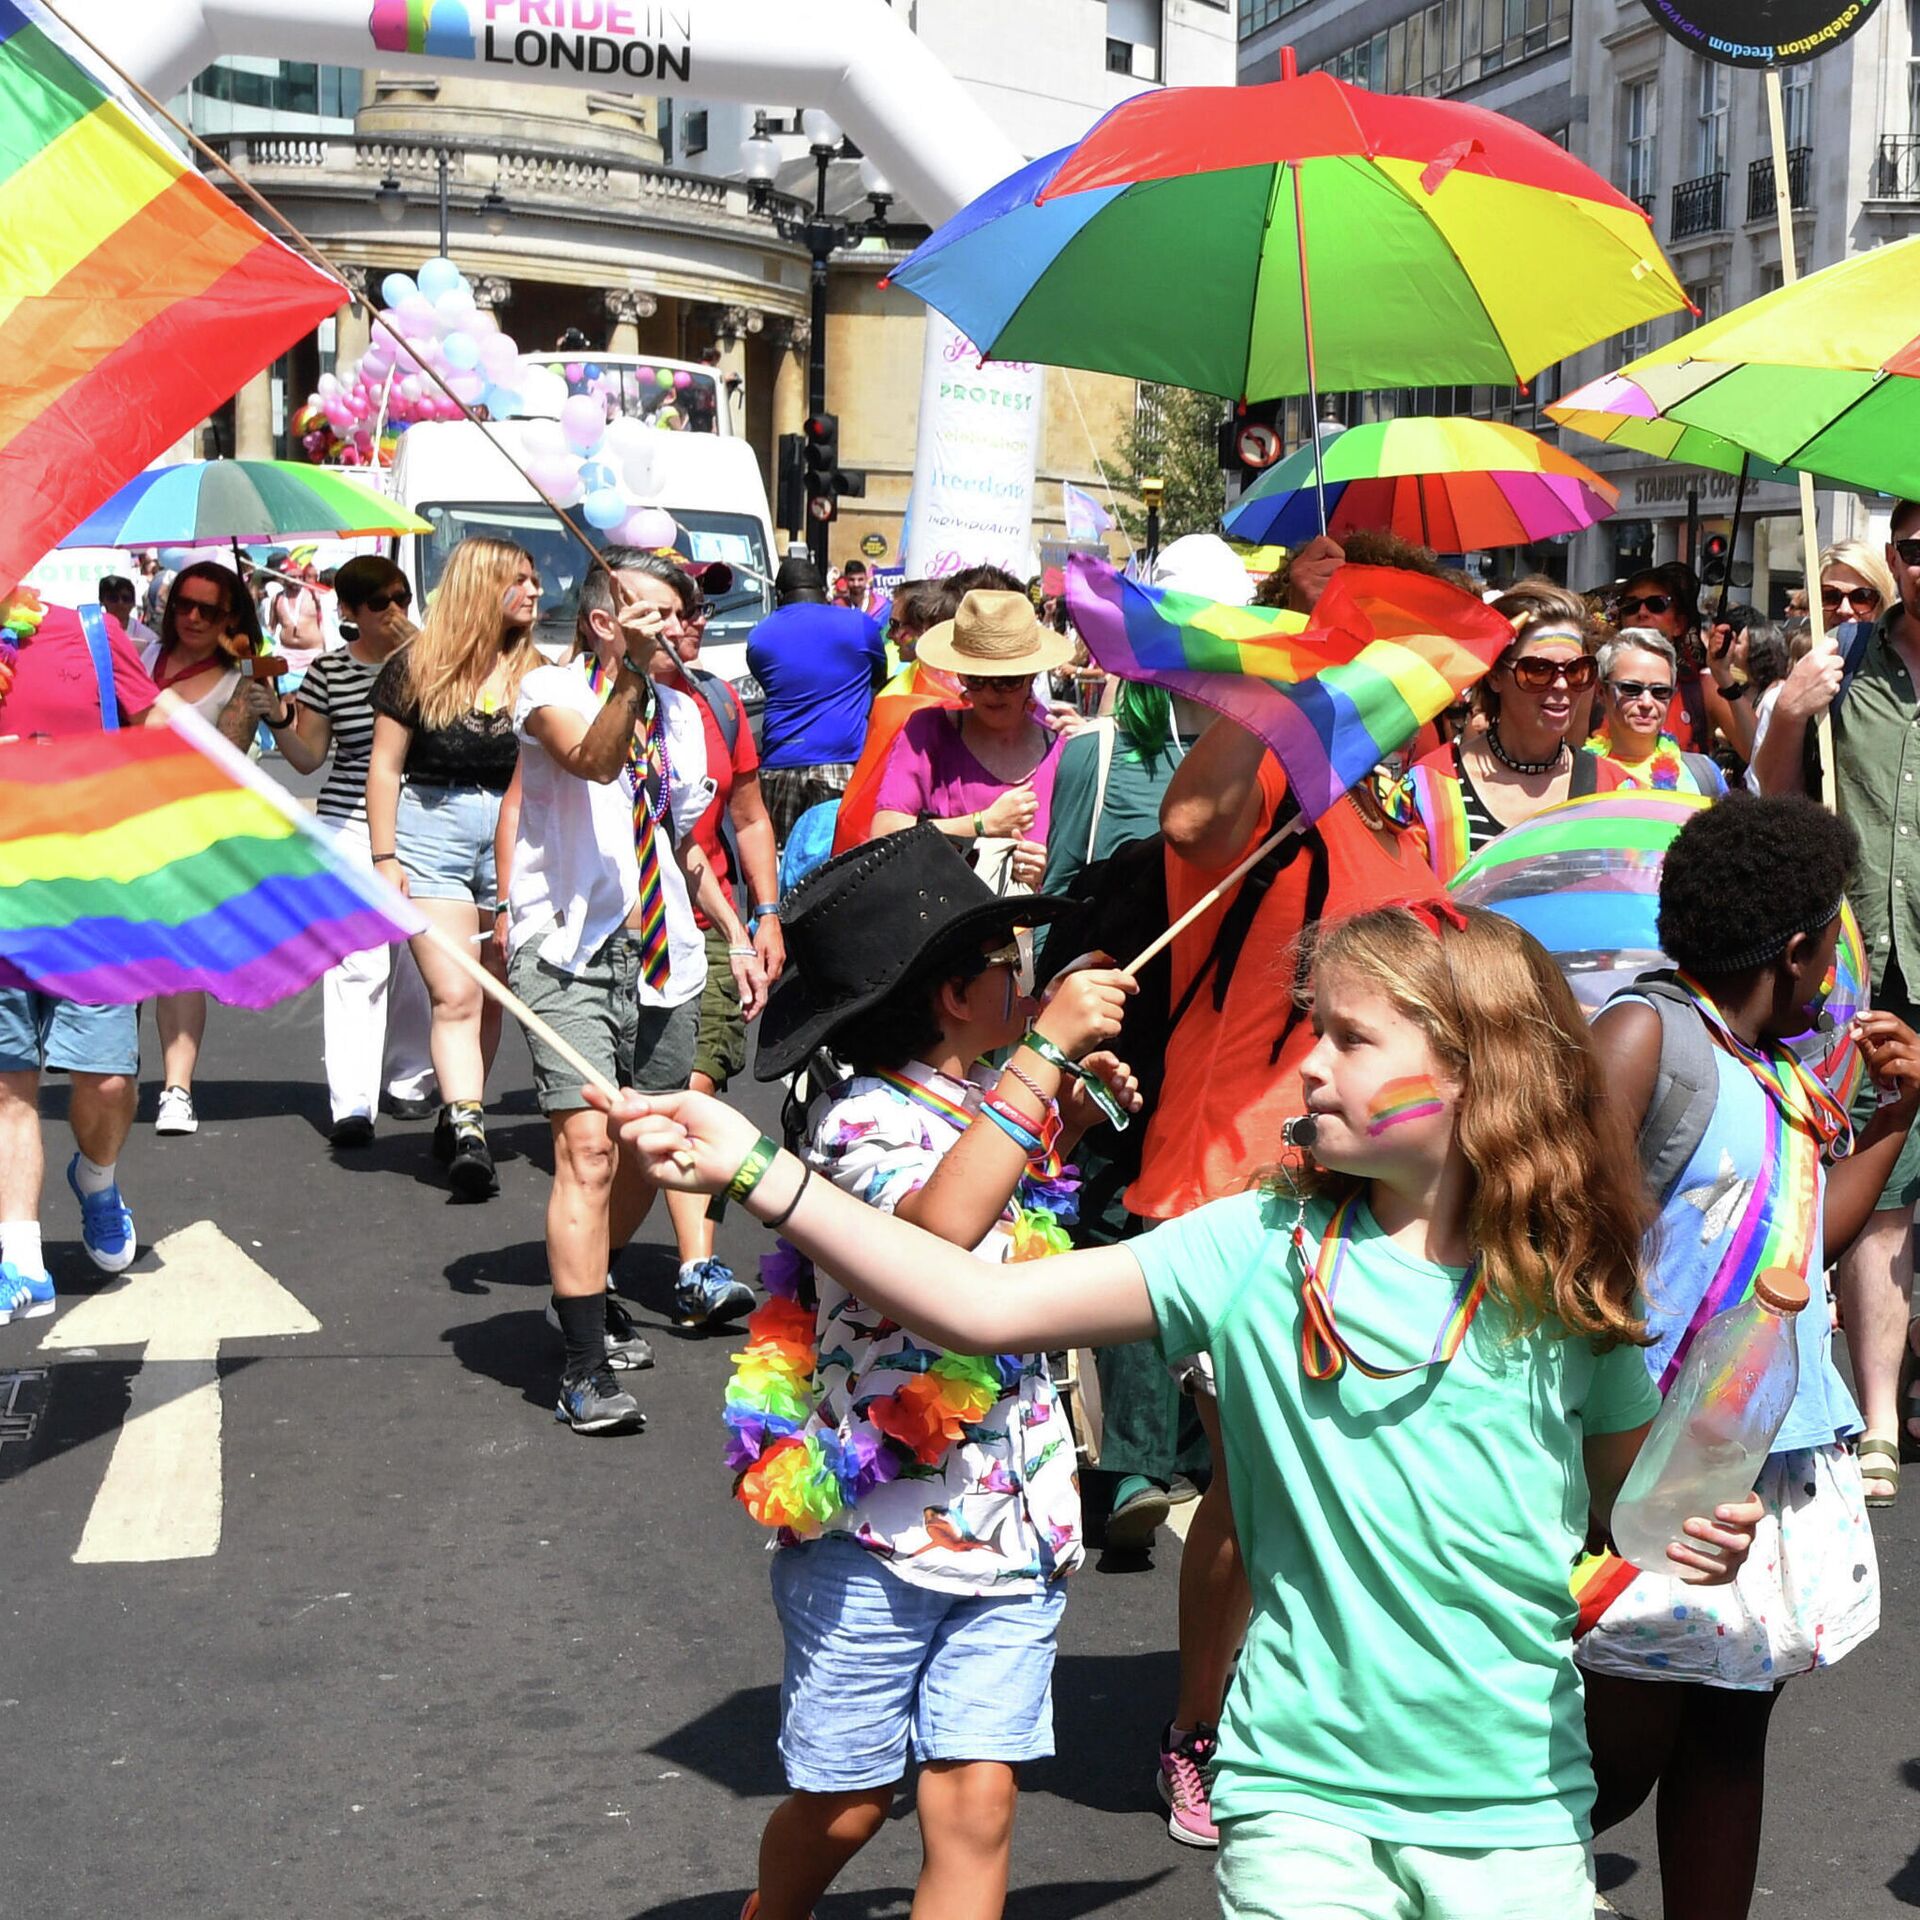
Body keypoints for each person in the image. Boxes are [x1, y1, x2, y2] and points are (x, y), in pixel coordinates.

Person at [601, 902, 1762, 1920]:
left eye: (1353, 1040)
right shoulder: (1256, 1251)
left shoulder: (1562, 1286)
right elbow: (972, 1304)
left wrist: (1697, 1522)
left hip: (1515, 1801)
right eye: (1317, 1030)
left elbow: (1629, 1500)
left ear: (1482, 1073)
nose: (1309, 1066)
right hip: (1304, 1796)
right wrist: (762, 1168)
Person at [708, 823, 1138, 1920]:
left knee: (977, 1801)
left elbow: (1012, 1193)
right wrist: (1047, 1058)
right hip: (877, 1530)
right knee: (847, 1803)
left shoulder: (994, 1093)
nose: (1026, 983)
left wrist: (1071, 1104)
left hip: (1013, 1520)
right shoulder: (859, 1121)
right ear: (953, 995)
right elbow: (945, 1224)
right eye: (1008, 971)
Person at [1128, 534, 1463, 1848]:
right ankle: (1202, 1728)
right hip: (1248, 1178)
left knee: (1376, 1459)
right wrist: (1283, 678)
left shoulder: (1415, 780)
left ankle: (1348, 1705)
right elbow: (1192, 826)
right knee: (1265, 1472)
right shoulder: (1271, 749)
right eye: (1377, 629)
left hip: (1401, 1170)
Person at [1582, 794, 1912, 1920]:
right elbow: (1558, 1232)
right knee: (1610, 1751)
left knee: (1730, 1729)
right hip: (1653, 1450)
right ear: (1798, 946)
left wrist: (1897, 1112)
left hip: (1763, 1444)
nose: (1835, 959)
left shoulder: (1770, 1063)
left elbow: (1802, 1246)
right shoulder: (1648, 1037)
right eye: (1830, 934)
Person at [499, 547, 766, 1432]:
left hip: (665, 951)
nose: (676, 628)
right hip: (570, 949)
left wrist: (737, 931)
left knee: (649, 1145)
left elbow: (679, 841)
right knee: (586, 1150)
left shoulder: (687, 717)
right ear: (605, 622)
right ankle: (582, 1368)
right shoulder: (551, 690)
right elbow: (591, 764)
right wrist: (631, 682)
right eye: (652, 614)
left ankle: (592, 1282)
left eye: (680, 616)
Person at [1750, 497, 1920, 1507]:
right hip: (1861, 957)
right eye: (1908, 546)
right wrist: (1792, 713)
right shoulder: (1848, 658)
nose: (1915, 561)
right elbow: (1773, 795)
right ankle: (1881, 1414)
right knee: (1878, 1184)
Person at [0, 593, 162, 1320]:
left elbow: (156, 731)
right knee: (10, 1084)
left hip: (92, 892)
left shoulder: (87, 631)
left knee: (102, 1080)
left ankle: (96, 1178)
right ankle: (22, 1257)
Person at [365, 536, 539, 1199]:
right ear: (481, 584)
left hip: (515, 835)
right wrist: (385, 858)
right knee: (456, 991)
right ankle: (470, 1127)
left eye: (534, 582)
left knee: (492, 986)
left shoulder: (539, 670)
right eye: (520, 579)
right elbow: (385, 767)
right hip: (429, 828)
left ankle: (460, 1108)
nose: (534, 591)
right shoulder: (418, 665)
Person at [646, 566, 787, 1317]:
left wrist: (762, 915)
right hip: (616, 938)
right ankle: (592, 1266)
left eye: (698, 608)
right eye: (675, 608)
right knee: (626, 1120)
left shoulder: (720, 701)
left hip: (704, 929)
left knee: (694, 1091)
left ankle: (697, 1269)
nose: (694, 621)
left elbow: (752, 817)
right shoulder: (584, 702)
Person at [270, 555, 436, 1147]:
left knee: (420, 959)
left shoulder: (433, 660)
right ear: (348, 611)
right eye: (378, 602)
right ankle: (353, 1101)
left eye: (401, 597)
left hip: (422, 818)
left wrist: (420, 645)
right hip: (347, 821)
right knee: (357, 960)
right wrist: (278, 714)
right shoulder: (330, 672)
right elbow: (310, 756)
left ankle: (413, 1079)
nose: (394, 610)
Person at [139, 561, 286, 1136]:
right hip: (118, 825)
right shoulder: (135, 657)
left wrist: (254, 683)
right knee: (120, 957)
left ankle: (177, 1089)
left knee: (179, 964)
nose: (193, 617)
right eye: (184, 605)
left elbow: (225, 757)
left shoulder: (243, 679)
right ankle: (109, 1073)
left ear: (232, 618)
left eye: (209, 609)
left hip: (189, 833)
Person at [1399, 599, 1624, 881]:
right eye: (1538, 670)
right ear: (1494, 676)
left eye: (1577, 670)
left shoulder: (1617, 790)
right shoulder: (1427, 789)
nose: (1562, 684)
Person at [871, 590, 1074, 893]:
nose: (991, 693)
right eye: (976, 679)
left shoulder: (1064, 746)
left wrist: (1049, 872)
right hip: (947, 927)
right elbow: (883, 835)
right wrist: (980, 825)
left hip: (1043, 931)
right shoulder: (927, 732)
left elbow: (1087, 862)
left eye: (1007, 680)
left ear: (1031, 676)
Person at [746, 555, 886, 841]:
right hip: (843, 763)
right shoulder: (861, 626)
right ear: (825, 590)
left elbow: (770, 684)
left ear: (779, 594)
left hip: (780, 764)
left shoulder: (760, 636)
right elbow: (878, 681)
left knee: (784, 866)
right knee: (841, 867)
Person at [1614, 563, 1746, 758]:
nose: (1642, 612)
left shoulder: (1701, 690)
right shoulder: (1597, 686)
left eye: (1656, 604)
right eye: (1630, 605)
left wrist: (1724, 676)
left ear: (1679, 625)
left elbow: (1762, 756)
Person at [1587, 628, 1728, 795]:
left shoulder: (1703, 774)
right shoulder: (1578, 774)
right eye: (1631, 689)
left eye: (1660, 691)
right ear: (1602, 693)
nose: (1646, 703)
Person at [270, 562, 328, 676]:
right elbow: (271, 627)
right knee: (287, 693)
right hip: (287, 656)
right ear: (283, 578)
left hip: (312, 654)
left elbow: (327, 621)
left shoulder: (314, 595)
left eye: (300, 577)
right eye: (293, 577)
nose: (297, 580)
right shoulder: (277, 599)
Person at [96, 575, 155, 650]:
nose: (120, 603)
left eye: (126, 598)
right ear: (102, 601)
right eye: (113, 598)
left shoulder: (149, 638)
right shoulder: (92, 634)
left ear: (133, 603)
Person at [835, 556, 890, 628]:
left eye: (860, 579)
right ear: (845, 580)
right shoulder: (837, 606)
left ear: (866, 579)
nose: (856, 584)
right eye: (852, 580)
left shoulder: (882, 606)